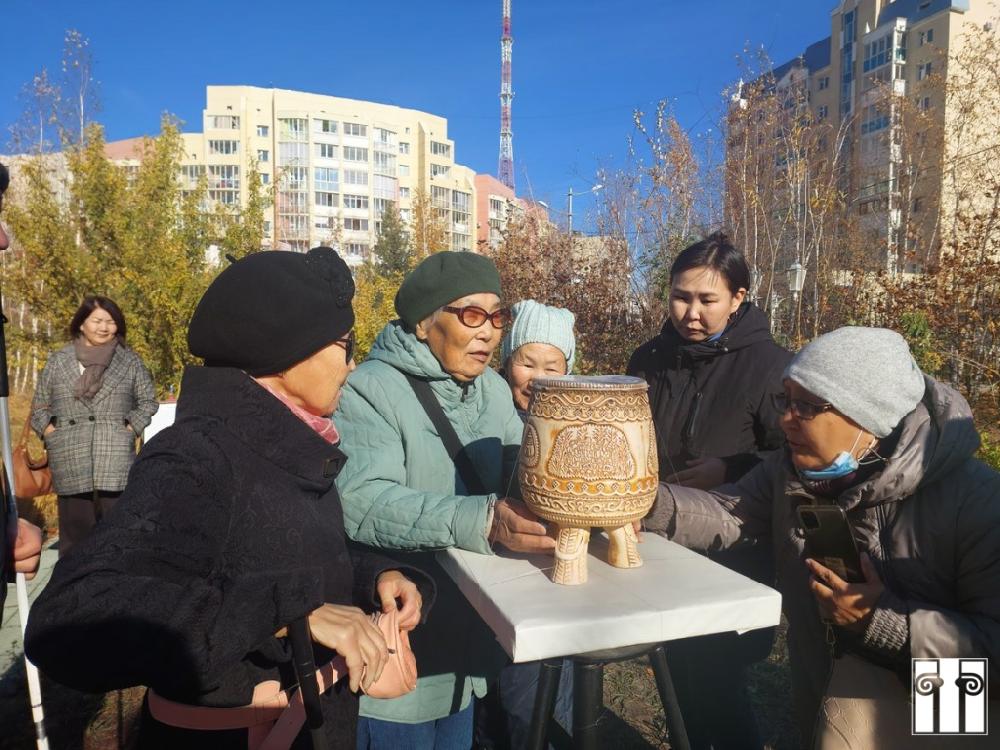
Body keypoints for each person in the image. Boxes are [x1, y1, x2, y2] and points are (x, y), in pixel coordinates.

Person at [25, 247, 433, 749]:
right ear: (286, 350)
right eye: (345, 344)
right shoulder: (199, 454)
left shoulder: (291, 443)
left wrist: (373, 577)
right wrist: (290, 613)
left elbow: (263, 556)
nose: (352, 363)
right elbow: (70, 618)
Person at [646, 327, 1000, 749]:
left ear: (869, 418)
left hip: (942, 705)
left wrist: (882, 621)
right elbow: (729, 511)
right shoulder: (792, 470)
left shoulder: (977, 501)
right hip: (825, 687)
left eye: (808, 406)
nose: (785, 419)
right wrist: (637, 505)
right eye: (786, 400)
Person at [334, 251, 555, 748]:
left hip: (471, 637)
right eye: (471, 314)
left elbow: (521, 474)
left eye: (498, 317)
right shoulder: (371, 390)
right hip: (403, 636)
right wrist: (484, 521)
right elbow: (363, 500)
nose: (489, 332)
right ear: (422, 322)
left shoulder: (493, 390)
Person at [627, 232, 790, 749]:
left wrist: (730, 466)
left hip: (734, 552)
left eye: (707, 300)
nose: (690, 312)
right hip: (657, 539)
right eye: (680, 296)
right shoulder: (649, 359)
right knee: (676, 676)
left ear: (739, 298)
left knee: (718, 682)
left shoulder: (771, 367)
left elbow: (797, 460)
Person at [491, 299, 577, 747]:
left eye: (553, 364)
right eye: (527, 361)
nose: (539, 376)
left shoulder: (578, 425)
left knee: (544, 697)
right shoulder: (487, 414)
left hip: (553, 583)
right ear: (508, 363)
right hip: (495, 581)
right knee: (503, 700)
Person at [29, 295, 158, 557]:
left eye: (110, 322)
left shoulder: (129, 362)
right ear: (81, 324)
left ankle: (117, 592)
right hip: (69, 454)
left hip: (115, 454)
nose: (104, 327)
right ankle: (73, 594)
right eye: (97, 320)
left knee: (119, 536)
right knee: (75, 543)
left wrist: (130, 429)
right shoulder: (59, 361)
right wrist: (50, 433)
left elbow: (148, 401)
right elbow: (40, 407)